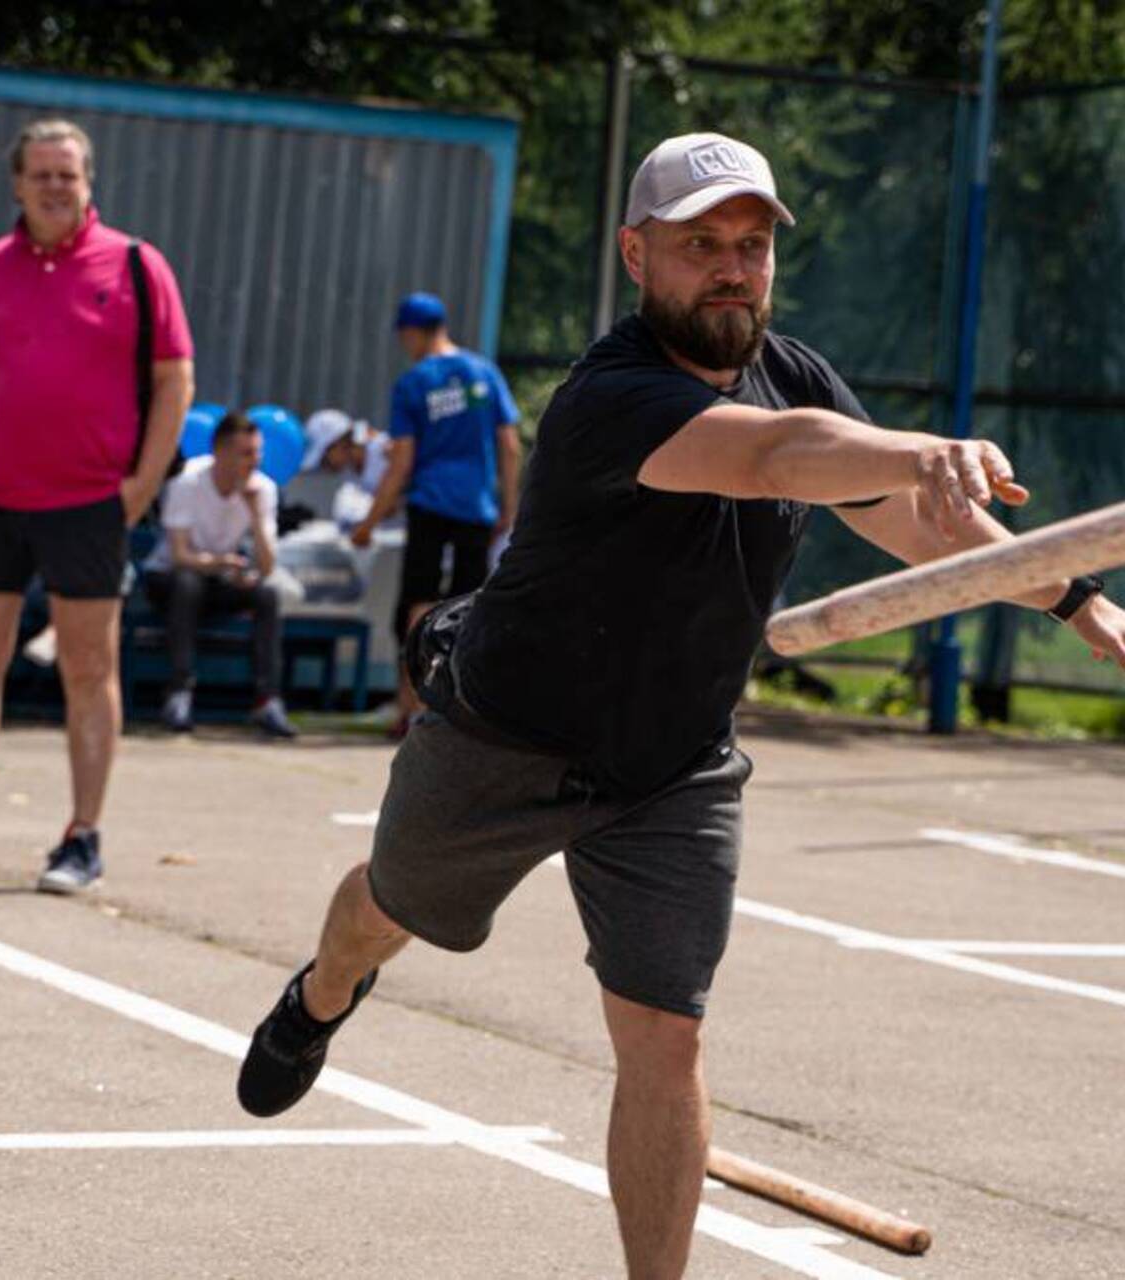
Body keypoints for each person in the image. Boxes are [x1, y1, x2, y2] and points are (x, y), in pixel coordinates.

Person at [235, 131, 1125, 1278]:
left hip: (672, 763)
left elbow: (918, 521)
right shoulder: (608, 396)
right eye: (699, 242)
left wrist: (1076, 603)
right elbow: (777, 460)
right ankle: (318, 993)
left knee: (665, 1034)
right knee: (382, 912)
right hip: (506, 737)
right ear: (634, 253)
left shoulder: (794, 373)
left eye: (750, 246)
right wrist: (923, 448)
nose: (729, 267)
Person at [0, 117, 194, 894]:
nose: (55, 187)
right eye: (40, 174)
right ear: (16, 184)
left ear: (88, 180)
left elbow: (176, 380)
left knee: (88, 665)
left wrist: (140, 485)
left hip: (90, 501)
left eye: (67, 174)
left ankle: (81, 838)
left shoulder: (137, 266)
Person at [350, 292, 521, 730]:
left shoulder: (414, 383)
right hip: (476, 506)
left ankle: (410, 704)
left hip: (429, 503)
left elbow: (401, 460)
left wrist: (369, 522)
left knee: (418, 603)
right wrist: (509, 505)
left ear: (410, 333)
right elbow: (509, 444)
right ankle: (461, 706)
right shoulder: (483, 372)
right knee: (468, 606)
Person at [142, 410, 296, 738]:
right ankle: (179, 692)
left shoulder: (263, 490)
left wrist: (254, 514)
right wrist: (221, 563)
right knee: (188, 584)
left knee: (267, 593)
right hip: (169, 578)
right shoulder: (187, 482)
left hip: (218, 577)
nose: (253, 461)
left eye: (257, 453)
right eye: (245, 453)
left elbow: (268, 568)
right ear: (219, 451)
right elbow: (180, 555)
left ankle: (267, 698)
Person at [302, 408, 392, 531]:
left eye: (325, 460)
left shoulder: (386, 450)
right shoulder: (350, 471)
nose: (325, 467)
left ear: (339, 443)